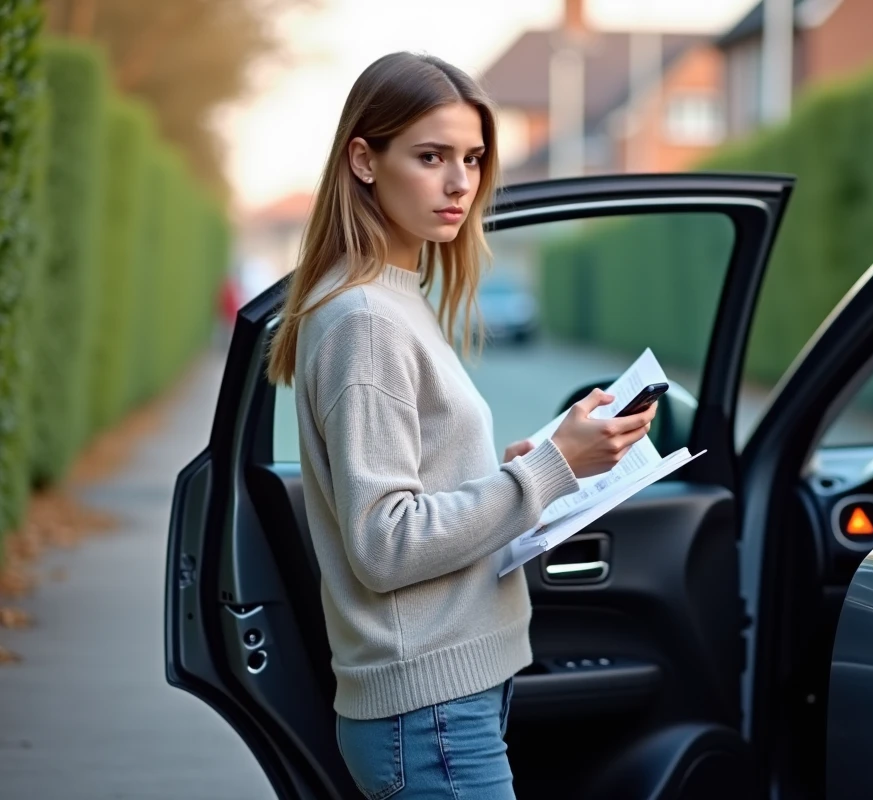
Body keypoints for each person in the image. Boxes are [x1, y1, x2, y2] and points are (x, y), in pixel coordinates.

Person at [264, 52, 657, 799]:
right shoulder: (366, 319)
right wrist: (546, 471)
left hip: (445, 702)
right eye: (431, 156)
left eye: (473, 159)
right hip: (427, 710)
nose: (459, 184)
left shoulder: (393, 296)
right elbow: (385, 542)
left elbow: (415, 490)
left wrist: (527, 467)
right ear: (364, 160)